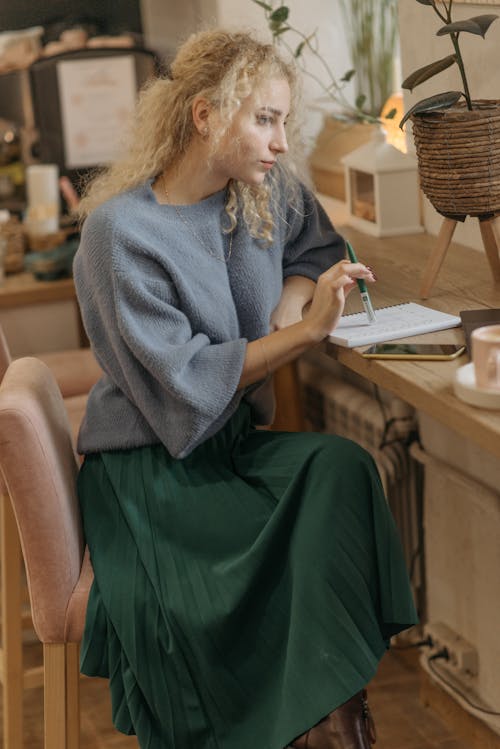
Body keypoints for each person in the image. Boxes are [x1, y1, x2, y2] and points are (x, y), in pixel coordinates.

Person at [73, 27, 418, 749]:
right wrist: (300, 335)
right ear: (205, 114)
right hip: (153, 476)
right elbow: (186, 388)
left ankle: (335, 710)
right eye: (265, 119)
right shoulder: (118, 233)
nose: (281, 141)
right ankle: (313, 724)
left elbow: (320, 247)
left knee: (343, 469)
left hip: (231, 451)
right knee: (288, 524)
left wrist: (289, 305)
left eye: (284, 121)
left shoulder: (261, 189)